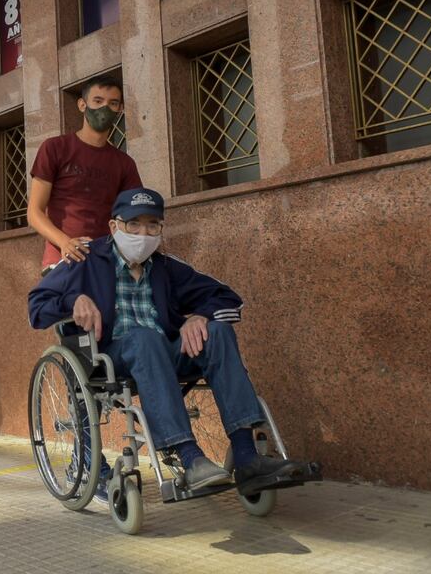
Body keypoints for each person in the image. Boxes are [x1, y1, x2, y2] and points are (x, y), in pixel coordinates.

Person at [28, 188, 307, 495]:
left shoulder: (165, 267)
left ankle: (247, 457)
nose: (142, 233)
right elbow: (37, 305)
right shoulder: (86, 259)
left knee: (218, 331)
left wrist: (199, 316)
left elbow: (227, 297)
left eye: (152, 225)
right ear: (113, 226)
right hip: (113, 356)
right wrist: (74, 300)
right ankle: (189, 457)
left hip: (165, 353)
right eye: (133, 224)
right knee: (144, 338)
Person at [26, 74, 142, 274]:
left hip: (107, 263)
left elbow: (136, 214)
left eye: (113, 103)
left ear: (120, 109)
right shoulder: (55, 148)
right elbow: (34, 213)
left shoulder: (125, 163)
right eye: (98, 101)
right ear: (82, 104)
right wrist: (65, 242)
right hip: (61, 262)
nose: (105, 108)